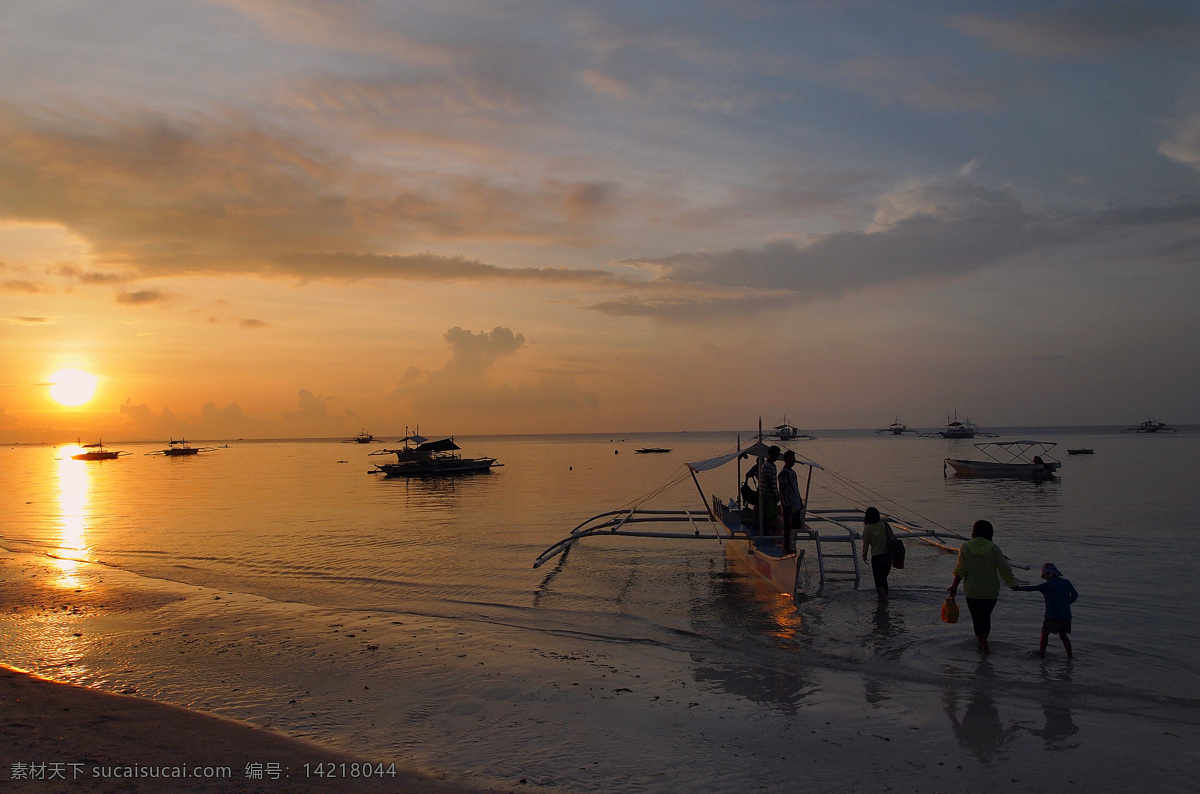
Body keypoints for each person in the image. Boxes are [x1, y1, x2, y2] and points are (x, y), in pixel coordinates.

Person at [947, 520, 1018, 653]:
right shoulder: (993, 548)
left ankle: (985, 649)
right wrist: (1012, 583)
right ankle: (982, 644)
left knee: (977, 620)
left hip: (973, 591)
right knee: (985, 618)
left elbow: (960, 570)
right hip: (991, 592)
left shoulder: (965, 547)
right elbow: (1004, 568)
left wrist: (954, 587)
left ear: (974, 532)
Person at [1013, 563, 1079, 658]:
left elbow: (1033, 588)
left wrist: (1018, 588)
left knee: (1045, 633)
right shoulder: (1066, 582)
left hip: (1051, 615)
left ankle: (1041, 654)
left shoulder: (1047, 585)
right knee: (1063, 636)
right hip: (1065, 615)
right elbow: (1075, 595)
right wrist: (1067, 603)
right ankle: (1070, 656)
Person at [860, 507, 893, 599]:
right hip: (888, 557)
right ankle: (886, 597)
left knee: (878, 582)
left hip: (876, 557)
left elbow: (865, 544)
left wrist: (864, 555)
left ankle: (882, 602)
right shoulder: (884, 525)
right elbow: (891, 538)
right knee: (884, 579)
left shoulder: (868, 528)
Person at [778, 450, 805, 554]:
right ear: (786, 460)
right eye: (791, 459)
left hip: (795, 503)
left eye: (794, 459)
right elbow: (782, 490)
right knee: (787, 526)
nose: (793, 461)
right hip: (788, 504)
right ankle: (786, 547)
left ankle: (790, 545)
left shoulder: (792, 473)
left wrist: (799, 501)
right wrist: (786, 504)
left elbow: (796, 488)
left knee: (794, 526)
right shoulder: (783, 474)